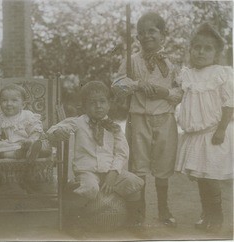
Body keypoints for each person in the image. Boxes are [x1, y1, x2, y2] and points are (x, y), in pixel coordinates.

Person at [111, 12, 182, 228]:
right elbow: (117, 87)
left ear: (163, 34)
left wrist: (165, 92)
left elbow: (181, 92)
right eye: (141, 33)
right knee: (138, 164)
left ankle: (163, 209)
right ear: (137, 38)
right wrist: (136, 85)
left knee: (163, 163)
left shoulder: (172, 63)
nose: (146, 36)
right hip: (138, 119)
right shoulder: (131, 61)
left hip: (165, 119)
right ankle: (138, 210)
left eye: (152, 31)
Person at [47, 81, 144, 229]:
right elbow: (57, 128)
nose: (98, 106)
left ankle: (133, 220)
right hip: (87, 172)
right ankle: (72, 220)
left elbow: (122, 152)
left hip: (110, 171)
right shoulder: (78, 123)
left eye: (102, 101)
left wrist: (114, 172)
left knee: (134, 182)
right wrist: (57, 132)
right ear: (84, 107)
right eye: (92, 103)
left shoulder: (114, 127)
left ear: (109, 104)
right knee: (90, 187)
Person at [175, 23, 233, 232]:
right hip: (196, 135)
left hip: (214, 133)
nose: (201, 52)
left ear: (216, 53)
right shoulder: (187, 75)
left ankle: (216, 218)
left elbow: (229, 104)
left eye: (208, 48)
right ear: (190, 49)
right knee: (201, 177)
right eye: (197, 47)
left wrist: (221, 130)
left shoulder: (221, 73)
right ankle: (206, 214)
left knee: (212, 178)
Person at [0, 84, 51, 161]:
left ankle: (32, 151)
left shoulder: (27, 115)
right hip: (10, 145)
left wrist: (31, 139)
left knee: (44, 147)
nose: (9, 103)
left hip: (28, 143)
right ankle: (21, 154)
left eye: (14, 100)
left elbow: (36, 130)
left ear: (23, 105)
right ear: (0, 103)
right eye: (4, 100)